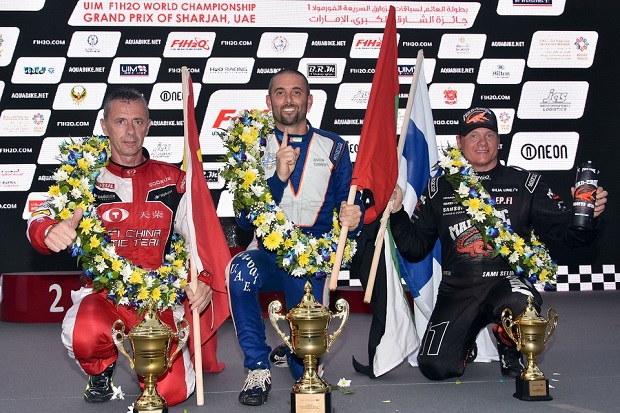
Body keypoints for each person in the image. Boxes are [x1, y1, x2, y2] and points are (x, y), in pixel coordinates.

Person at [26, 87, 229, 405]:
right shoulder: (83, 179)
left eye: (138, 121)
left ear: (148, 125)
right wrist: (48, 230)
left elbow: (199, 239)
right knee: (83, 334)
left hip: (158, 301)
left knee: (171, 393)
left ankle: (153, 368)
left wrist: (203, 279)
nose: (130, 131)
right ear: (104, 126)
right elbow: (39, 218)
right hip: (104, 297)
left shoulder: (174, 180)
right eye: (120, 122)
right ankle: (100, 369)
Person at [389, 107, 608, 381]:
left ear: (499, 141)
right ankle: (463, 343)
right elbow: (415, 249)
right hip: (458, 290)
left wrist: (587, 216)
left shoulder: (526, 183)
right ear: (459, 142)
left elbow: (570, 236)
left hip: (506, 285)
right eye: (474, 135)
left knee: (521, 303)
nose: (482, 142)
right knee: (435, 367)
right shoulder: (439, 187)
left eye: (489, 135)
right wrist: (397, 213)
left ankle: (507, 340)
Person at [226, 69, 364, 406]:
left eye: (297, 92)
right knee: (240, 271)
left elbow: (348, 202)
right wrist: (277, 177)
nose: (288, 100)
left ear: (309, 100)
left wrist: (354, 217)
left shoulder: (334, 146)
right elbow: (244, 217)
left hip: (313, 258)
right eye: (280, 93)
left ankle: (291, 353)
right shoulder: (253, 145)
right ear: (269, 100)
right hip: (268, 255)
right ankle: (257, 367)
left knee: (303, 363)